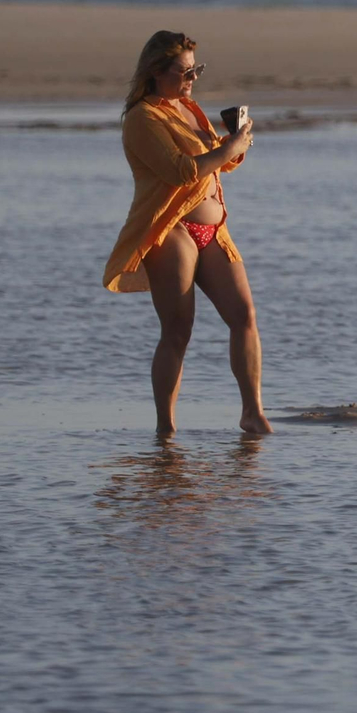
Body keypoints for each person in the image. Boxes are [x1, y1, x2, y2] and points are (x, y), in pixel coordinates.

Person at [103, 30, 270, 435]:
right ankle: (166, 429)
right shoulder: (143, 118)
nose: (192, 78)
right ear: (157, 72)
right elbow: (182, 171)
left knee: (244, 315)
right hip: (172, 228)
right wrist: (228, 150)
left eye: (197, 70)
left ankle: (253, 412)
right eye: (185, 72)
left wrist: (236, 142)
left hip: (214, 231)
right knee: (178, 331)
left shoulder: (188, 108)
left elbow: (220, 163)